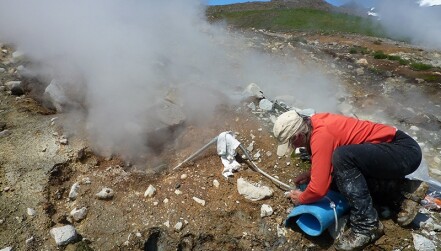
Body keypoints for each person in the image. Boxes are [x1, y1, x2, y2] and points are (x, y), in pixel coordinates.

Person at [272, 111, 428, 251]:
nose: (292, 148)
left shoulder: (321, 134)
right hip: (390, 153)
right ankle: (401, 191)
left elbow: (319, 189)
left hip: (403, 151)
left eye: (291, 143)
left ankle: (366, 226)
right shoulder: (313, 125)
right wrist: (312, 173)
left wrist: (302, 198)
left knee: (342, 157)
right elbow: (328, 162)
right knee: (340, 177)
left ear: (298, 136)